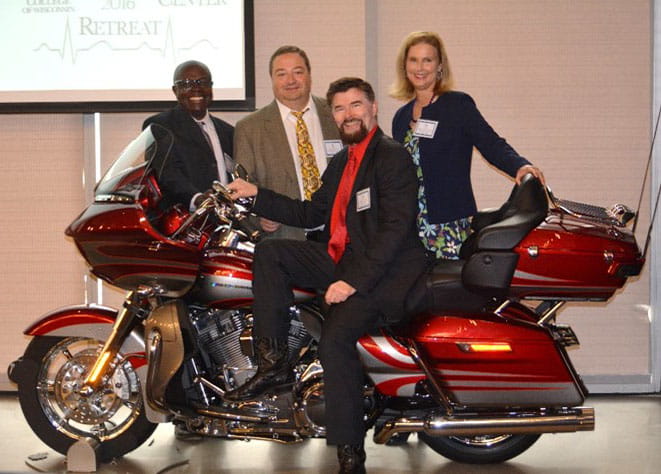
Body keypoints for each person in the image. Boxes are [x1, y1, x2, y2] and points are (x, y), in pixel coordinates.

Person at [226, 77, 428, 474]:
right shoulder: (342, 162)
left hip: (383, 273)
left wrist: (352, 282)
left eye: (356, 105)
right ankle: (273, 363)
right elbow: (311, 213)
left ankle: (350, 453)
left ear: (373, 108)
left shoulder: (391, 157)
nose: (348, 114)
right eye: (339, 108)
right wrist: (256, 194)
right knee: (270, 252)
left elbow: (395, 231)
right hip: (343, 258)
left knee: (334, 340)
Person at [390, 31, 544, 259]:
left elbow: (491, 143)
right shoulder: (401, 117)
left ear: (439, 66)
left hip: (447, 222)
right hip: (411, 225)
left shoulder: (457, 105)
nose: (420, 68)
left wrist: (519, 166)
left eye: (427, 60)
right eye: (413, 60)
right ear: (405, 66)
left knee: (447, 282)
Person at [234, 45, 341, 240]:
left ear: (309, 75)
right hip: (285, 237)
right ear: (272, 79)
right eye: (281, 74)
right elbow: (244, 186)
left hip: (339, 234)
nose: (290, 80)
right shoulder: (249, 128)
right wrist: (259, 218)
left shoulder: (336, 113)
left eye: (298, 72)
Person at [143, 60, 234, 210]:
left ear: (211, 87)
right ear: (175, 90)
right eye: (186, 84)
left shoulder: (228, 131)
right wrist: (197, 199)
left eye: (202, 82)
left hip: (224, 218)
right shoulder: (160, 126)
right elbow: (166, 173)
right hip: (184, 217)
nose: (196, 89)